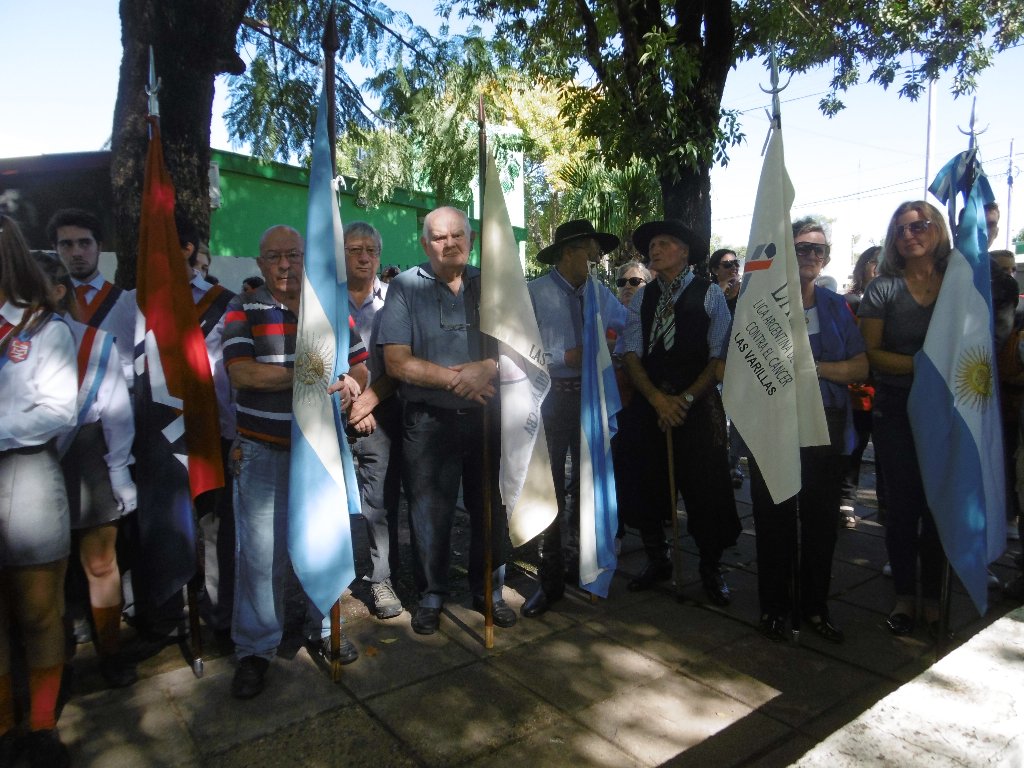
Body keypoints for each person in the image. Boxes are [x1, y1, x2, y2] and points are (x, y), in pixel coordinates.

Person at [222, 225, 369, 698]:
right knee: (260, 557)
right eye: (273, 257)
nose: (284, 265)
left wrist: (349, 379)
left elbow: (361, 361)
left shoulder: (328, 306)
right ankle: (255, 650)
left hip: (320, 449)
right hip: (263, 450)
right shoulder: (240, 308)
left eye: (292, 255)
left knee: (322, 540)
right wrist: (308, 376)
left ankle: (324, 631)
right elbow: (242, 373)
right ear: (260, 263)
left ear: (305, 258)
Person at [378, 206, 514, 635]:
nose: (449, 243)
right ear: (424, 244)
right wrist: (459, 380)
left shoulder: (493, 285)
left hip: (487, 419)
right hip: (428, 421)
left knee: (490, 507)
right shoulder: (404, 287)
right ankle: (432, 593)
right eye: (438, 237)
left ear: (471, 239)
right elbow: (396, 362)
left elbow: (520, 347)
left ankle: (488, 590)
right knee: (428, 512)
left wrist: (488, 369)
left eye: (457, 234)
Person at [751, 218, 867, 643]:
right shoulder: (763, 303)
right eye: (803, 248)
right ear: (787, 251)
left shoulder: (836, 306)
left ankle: (815, 606)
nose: (812, 256)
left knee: (820, 523)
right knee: (773, 517)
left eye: (819, 250)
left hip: (826, 425)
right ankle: (775, 607)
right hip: (774, 425)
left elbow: (860, 365)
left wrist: (815, 369)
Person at [619, 220, 741, 605]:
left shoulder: (710, 295)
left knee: (707, 488)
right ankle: (658, 558)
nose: (655, 249)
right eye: (652, 244)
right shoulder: (642, 297)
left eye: (664, 243)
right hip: (651, 405)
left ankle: (710, 567)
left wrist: (685, 400)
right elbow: (631, 351)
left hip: (698, 406)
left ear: (685, 252)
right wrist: (657, 399)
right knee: (646, 483)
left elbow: (718, 354)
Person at [34, 252, 139, 688]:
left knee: (99, 565)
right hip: (29, 462)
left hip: (86, 456)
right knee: (42, 578)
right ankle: (53, 662)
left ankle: (111, 653)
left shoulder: (91, 342)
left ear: (57, 293)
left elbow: (116, 412)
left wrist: (119, 470)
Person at [0, 215, 77, 766]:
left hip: (24, 476)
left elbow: (58, 410)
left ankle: (42, 724)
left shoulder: (41, 328)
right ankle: (5, 723)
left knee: (38, 612)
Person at [521, 220, 627, 617]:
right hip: (550, 400)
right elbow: (517, 350)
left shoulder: (599, 294)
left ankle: (585, 565)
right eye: (590, 251)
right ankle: (549, 581)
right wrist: (564, 357)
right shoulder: (533, 293)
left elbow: (627, 327)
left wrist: (613, 349)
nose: (597, 259)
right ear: (568, 253)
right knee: (548, 489)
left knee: (591, 483)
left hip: (590, 400)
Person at [858, 201, 951, 638]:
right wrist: (927, 367)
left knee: (939, 507)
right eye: (900, 230)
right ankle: (904, 598)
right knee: (903, 505)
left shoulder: (959, 283)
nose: (909, 234)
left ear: (938, 229)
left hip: (951, 411)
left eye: (919, 225)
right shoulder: (883, 288)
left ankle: (933, 598)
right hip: (896, 409)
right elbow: (872, 356)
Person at [178, 215, 238, 640]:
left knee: (217, 527)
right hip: (160, 434)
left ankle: (219, 611)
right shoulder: (136, 303)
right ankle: (165, 610)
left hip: (215, 433)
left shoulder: (224, 302)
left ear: (186, 249)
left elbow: (231, 375)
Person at [341, 221, 403, 620]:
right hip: (329, 417)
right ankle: (328, 582)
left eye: (371, 250)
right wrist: (350, 406)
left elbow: (400, 361)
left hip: (381, 413)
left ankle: (381, 579)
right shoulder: (322, 303)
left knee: (379, 504)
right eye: (354, 249)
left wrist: (366, 402)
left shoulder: (394, 301)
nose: (364, 257)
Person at [47, 209, 136, 386]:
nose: (77, 252)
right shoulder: (46, 306)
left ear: (100, 246)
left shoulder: (127, 303)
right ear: (54, 249)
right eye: (67, 244)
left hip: (117, 403)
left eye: (85, 243)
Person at [840, 246, 884, 529]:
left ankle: (889, 509)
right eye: (874, 263)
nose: (879, 268)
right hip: (856, 394)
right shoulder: (849, 302)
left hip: (886, 392)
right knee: (852, 449)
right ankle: (845, 502)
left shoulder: (897, 300)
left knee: (889, 456)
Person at [709, 248, 745, 488]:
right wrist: (721, 294)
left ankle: (733, 463)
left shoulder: (747, 296)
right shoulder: (710, 294)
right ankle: (719, 463)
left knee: (739, 420)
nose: (733, 267)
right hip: (716, 367)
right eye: (726, 264)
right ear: (715, 270)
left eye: (736, 263)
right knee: (719, 419)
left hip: (740, 369)